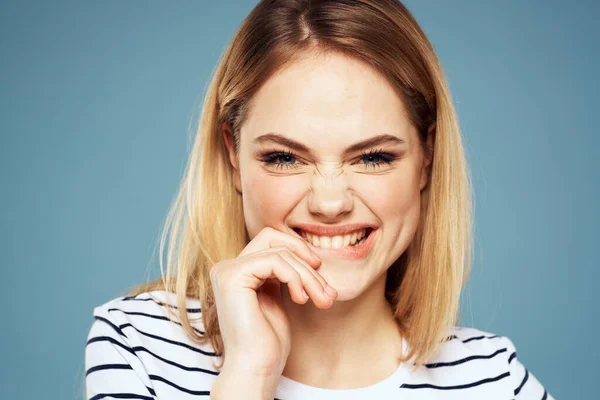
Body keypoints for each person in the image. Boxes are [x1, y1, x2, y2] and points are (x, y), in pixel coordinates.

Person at [84, 0, 555, 399]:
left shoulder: (491, 379)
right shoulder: (140, 344)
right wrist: (249, 376)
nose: (330, 203)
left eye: (372, 156)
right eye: (286, 157)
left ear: (426, 157)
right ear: (233, 156)